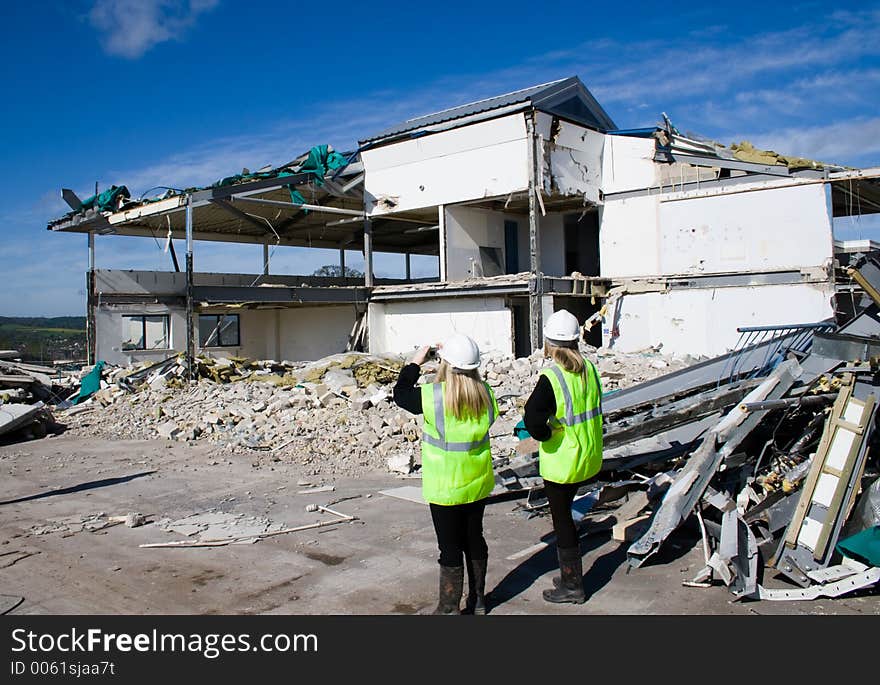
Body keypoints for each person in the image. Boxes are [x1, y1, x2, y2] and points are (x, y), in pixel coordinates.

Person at [393, 333, 499, 615]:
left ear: (445, 363)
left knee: (449, 548)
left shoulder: (433, 397)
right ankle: (478, 601)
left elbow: (400, 393)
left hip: (445, 487)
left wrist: (417, 360)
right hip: (476, 482)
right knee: (474, 539)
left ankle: (449, 608)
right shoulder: (486, 394)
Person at [523, 309, 603, 604]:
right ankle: (571, 577)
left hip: (563, 461)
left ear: (549, 342)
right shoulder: (590, 369)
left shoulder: (552, 376)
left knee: (563, 521)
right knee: (567, 516)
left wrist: (546, 435)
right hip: (589, 455)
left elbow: (532, 419)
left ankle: (573, 585)